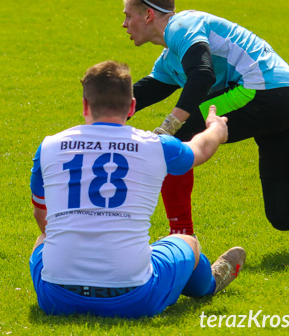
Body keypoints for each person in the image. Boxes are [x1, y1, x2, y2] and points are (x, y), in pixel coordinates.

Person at [124, 0, 289, 235]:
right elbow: (145, 92)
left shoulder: (181, 25)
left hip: (265, 94)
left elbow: (202, 74)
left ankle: (182, 239)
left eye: (128, 15)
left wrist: (170, 125)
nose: (124, 24)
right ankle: (183, 240)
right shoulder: (170, 56)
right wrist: (100, 114)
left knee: (174, 146)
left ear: (149, 15)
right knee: (285, 214)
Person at [30, 60, 243, 318]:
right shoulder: (157, 145)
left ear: (85, 105)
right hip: (134, 298)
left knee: (43, 240)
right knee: (187, 242)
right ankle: (209, 284)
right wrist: (217, 130)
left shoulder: (49, 146)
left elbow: (43, 220)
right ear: (132, 106)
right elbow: (201, 149)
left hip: (56, 297)